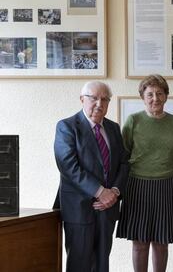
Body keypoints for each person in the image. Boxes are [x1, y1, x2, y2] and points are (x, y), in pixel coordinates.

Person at [54, 81, 129, 272]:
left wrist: (114, 192)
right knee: (79, 263)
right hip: (79, 208)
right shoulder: (67, 126)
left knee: (102, 262)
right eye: (93, 98)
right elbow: (68, 166)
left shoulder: (113, 128)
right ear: (82, 99)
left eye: (104, 99)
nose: (99, 103)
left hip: (108, 208)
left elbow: (123, 163)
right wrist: (99, 191)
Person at [116, 74, 173, 272]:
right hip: (137, 186)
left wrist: (162, 168)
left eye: (160, 93)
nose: (155, 98)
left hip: (166, 185)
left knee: (162, 242)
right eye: (150, 94)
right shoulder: (133, 120)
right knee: (139, 242)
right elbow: (124, 154)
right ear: (142, 97)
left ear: (166, 96)